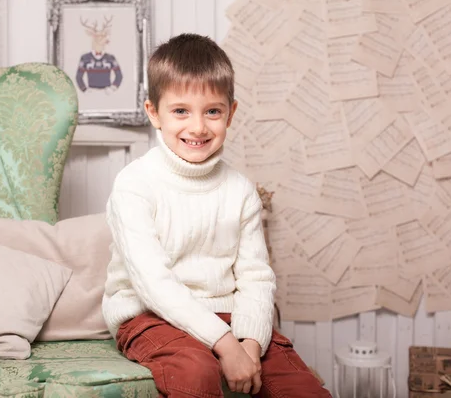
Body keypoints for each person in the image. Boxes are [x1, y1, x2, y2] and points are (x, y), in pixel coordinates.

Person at [102, 33, 332, 398]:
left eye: (212, 111)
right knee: (195, 370)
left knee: (299, 386)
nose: (198, 127)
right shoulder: (134, 184)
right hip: (149, 316)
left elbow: (256, 278)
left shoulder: (240, 190)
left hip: (228, 316)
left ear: (231, 113)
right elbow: (154, 284)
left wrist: (250, 347)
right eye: (181, 111)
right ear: (153, 113)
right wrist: (225, 345)